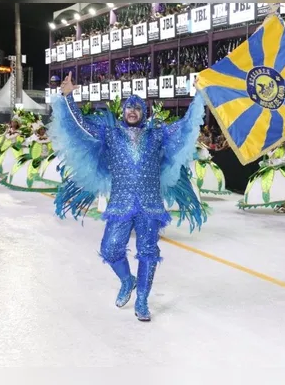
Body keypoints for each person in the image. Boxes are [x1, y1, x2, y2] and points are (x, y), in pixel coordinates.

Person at [49, 72, 206, 322]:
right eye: (128, 107)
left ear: (144, 112)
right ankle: (127, 280)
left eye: (137, 107)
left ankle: (142, 300)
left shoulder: (157, 135)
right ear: (122, 111)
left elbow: (186, 125)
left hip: (150, 205)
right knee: (110, 249)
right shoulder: (110, 135)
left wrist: (199, 95)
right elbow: (80, 125)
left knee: (147, 252)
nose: (132, 111)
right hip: (121, 203)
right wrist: (68, 97)